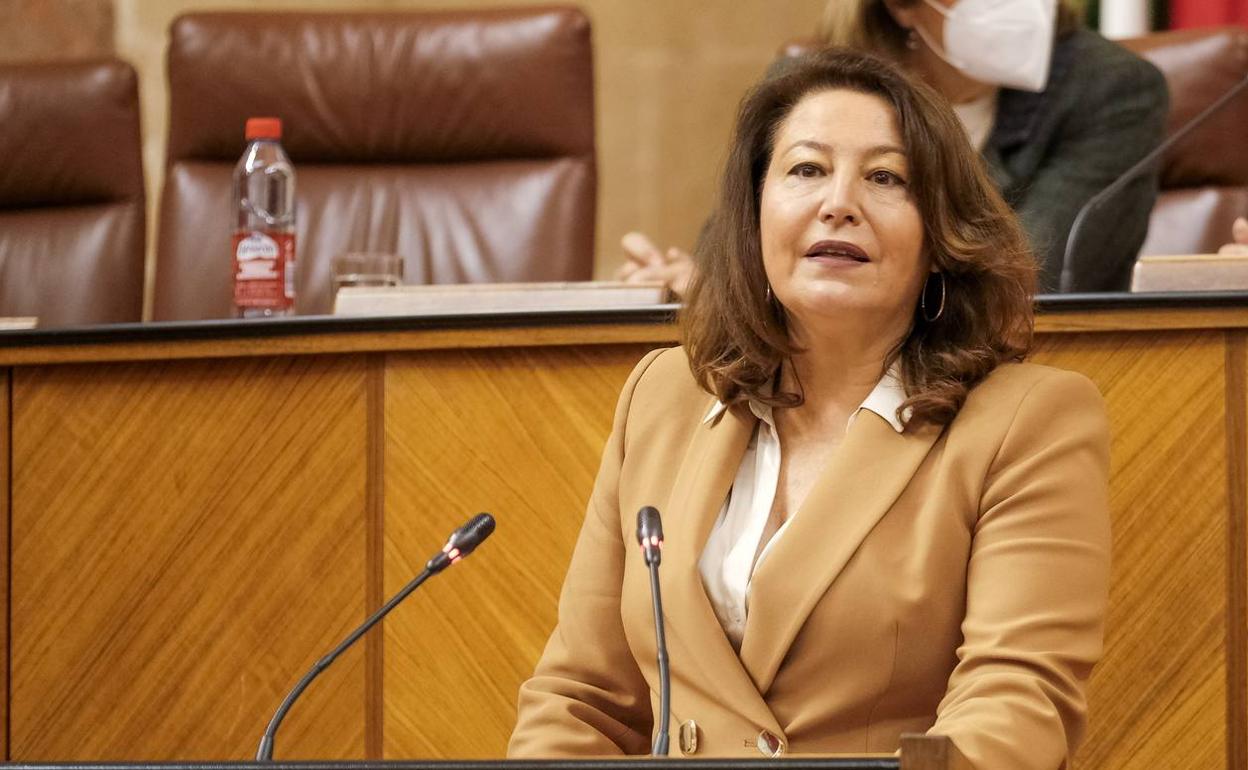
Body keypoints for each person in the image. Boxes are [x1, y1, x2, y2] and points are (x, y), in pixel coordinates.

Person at [511, 49, 1111, 769]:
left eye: (886, 177)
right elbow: (582, 696)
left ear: (941, 237)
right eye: (806, 169)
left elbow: (1015, 702)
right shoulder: (664, 395)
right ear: (754, 212)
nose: (839, 203)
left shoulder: (1028, 421)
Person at [619, 0, 1170, 294]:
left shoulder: (1111, 87)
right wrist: (701, 288)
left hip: (1025, 370)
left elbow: (1027, 277)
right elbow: (736, 250)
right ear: (903, 5)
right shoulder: (804, 86)